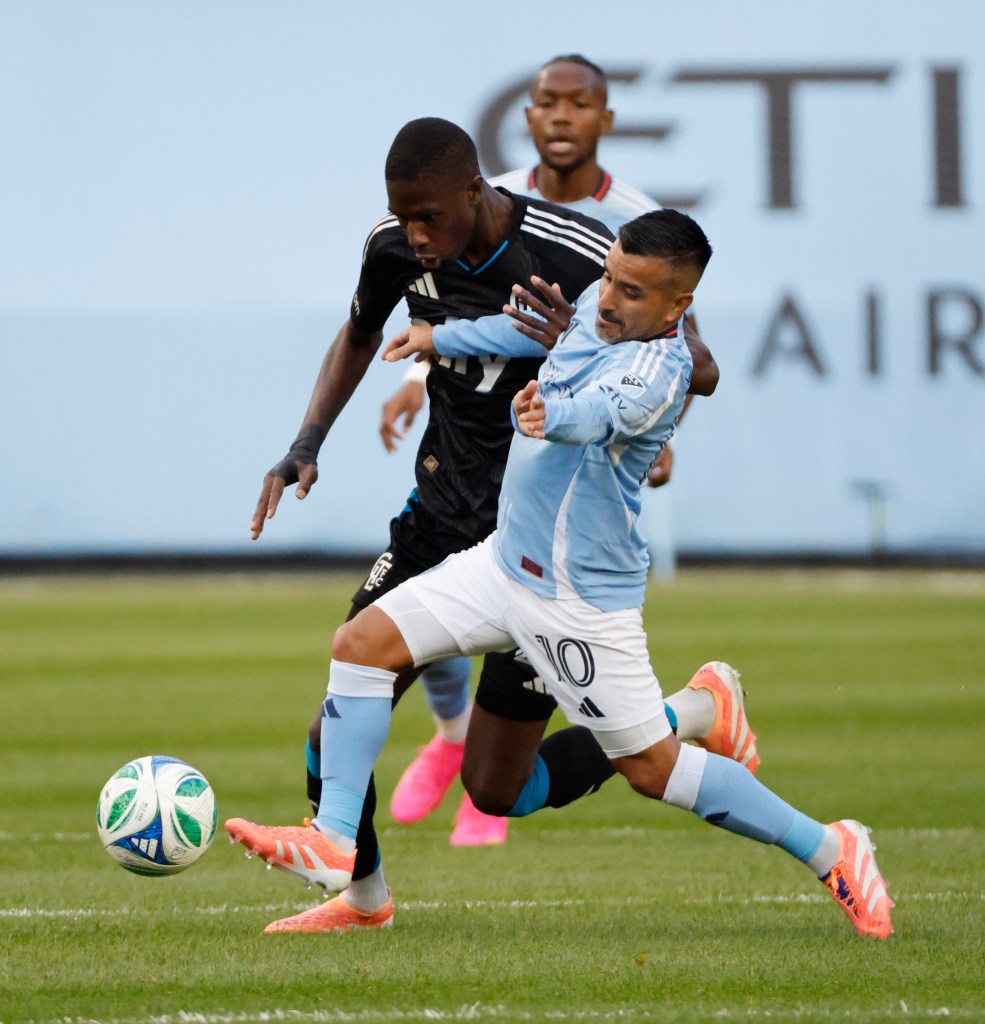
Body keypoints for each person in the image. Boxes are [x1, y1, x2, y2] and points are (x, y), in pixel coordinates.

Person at [227, 210, 893, 940]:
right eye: (608, 276)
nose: (607, 298)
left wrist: (551, 410)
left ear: (678, 307)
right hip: (500, 562)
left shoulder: (658, 370)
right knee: (359, 646)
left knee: (650, 772)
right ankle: (334, 843)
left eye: (632, 292)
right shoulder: (598, 313)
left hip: (574, 600)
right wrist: (437, 338)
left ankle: (830, 844)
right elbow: (525, 331)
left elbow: (603, 412)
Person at [249, 116, 739, 934]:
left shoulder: (576, 250)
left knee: (496, 790)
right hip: (440, 522)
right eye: (402, 217)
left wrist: (646, 426)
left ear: (475, 193)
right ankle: (362, 901)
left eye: (428, 217)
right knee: (336, 716)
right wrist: (305, 443)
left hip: (543, 549)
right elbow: (362, 332)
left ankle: (688, 714)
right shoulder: (394, 250)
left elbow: (702, 365)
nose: (414, 235)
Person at [383, 55, 695, 844]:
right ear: (526, 117)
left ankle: (484, 779)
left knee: (516, 632)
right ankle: (453, 739)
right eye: (545, 102)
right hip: (480, 442)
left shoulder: (629, 222)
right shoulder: (485, 199)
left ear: (604, 120)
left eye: (578, 103)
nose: (560, 116)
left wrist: (649, 429)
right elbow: (458, 303)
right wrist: (423, 373)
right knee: (414, 599)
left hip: (568, 463)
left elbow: (686, 353)